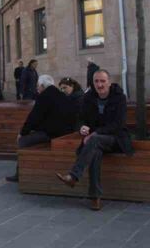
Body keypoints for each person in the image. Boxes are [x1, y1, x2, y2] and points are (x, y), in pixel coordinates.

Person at [56, 69, 133, 211]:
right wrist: (82, 128)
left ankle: (73, 176)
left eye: (103, 81)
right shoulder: (89, 97)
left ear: (109, 82)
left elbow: (118, 125)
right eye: (96, 81)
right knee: (95, 152)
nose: (99, 84)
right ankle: (95, 197)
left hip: (116, 139)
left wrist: (95, 133)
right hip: (95, 141)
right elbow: (81, 118)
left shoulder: (119, 97)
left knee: (94, 140)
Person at [7, 75, 79, 182]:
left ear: (42, 86)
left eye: (37, 86)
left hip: (53, 134)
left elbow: (33, 117)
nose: (37, 89)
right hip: (65, 133)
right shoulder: (60, 94)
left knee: (23, 141)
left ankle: (19, 174)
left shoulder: (44, 96)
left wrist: (22, 133)